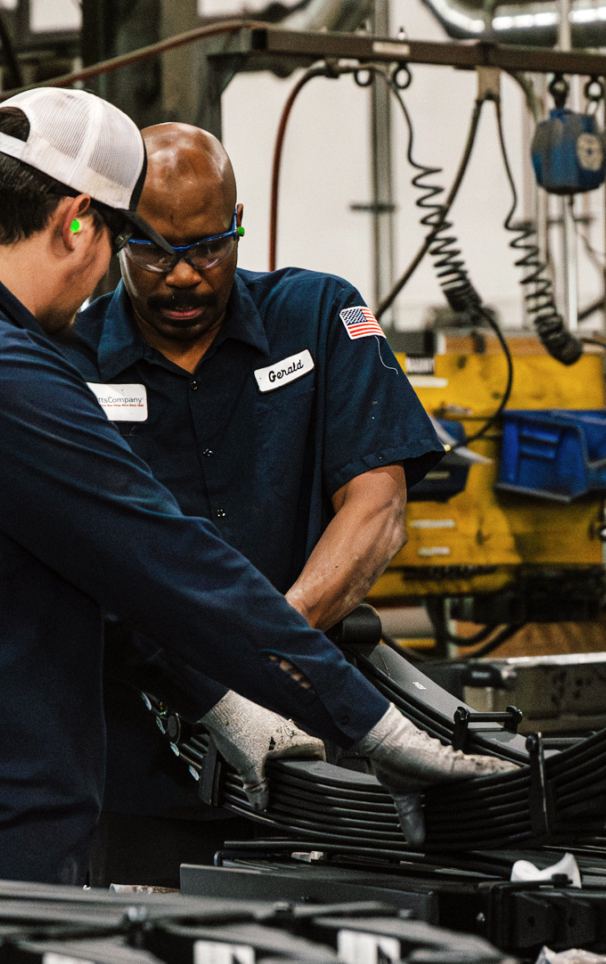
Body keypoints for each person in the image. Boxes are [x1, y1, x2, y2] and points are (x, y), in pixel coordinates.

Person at [0, 89, 511, 886]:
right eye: (133, 243)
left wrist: (223, 698)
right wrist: (373, 725)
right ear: (74, 222)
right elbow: (162, 564)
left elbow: (93, 575)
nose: (171, 275)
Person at [68, 123, 452, 887]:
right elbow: (83, 560)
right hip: (137, 776)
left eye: (207, 248)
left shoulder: (318, 316)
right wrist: (213, 684)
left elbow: (378, 505)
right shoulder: (65, 360)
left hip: (317, 760)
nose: (181, 276)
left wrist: (265, 657)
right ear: (113, 234)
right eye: (151, 249)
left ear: (240, 223)